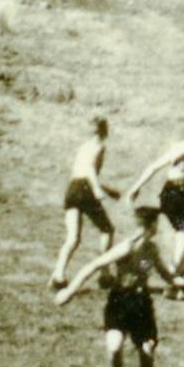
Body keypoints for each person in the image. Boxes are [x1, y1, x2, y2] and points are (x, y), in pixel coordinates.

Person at [52, 206, 178, 367]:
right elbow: (93, 266)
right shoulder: (126, 247)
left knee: (147, 351)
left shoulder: (152, 250)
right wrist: (70, 292)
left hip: (141, 304)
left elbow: (166, 276)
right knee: (114, 349)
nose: (158, 228)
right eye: (157, 224)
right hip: (120, 302)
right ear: (151, 225)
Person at [126, 116, 184, 282]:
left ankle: (183, 269)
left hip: (167, 191)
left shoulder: (180, 146)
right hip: (180, 193)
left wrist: (135, 188)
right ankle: (174, 276)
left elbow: (153, 167)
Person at [51, 116, 119, 288]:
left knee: (73, 237)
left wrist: (106, 189)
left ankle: (58, 275)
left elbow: (81, 174)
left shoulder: (83, 147)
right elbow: (89, 170)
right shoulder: (99, 146)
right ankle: (104, 273)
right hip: (86, 190)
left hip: (72, 189)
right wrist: (96, 189)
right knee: (107, 230)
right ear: (105, 131)